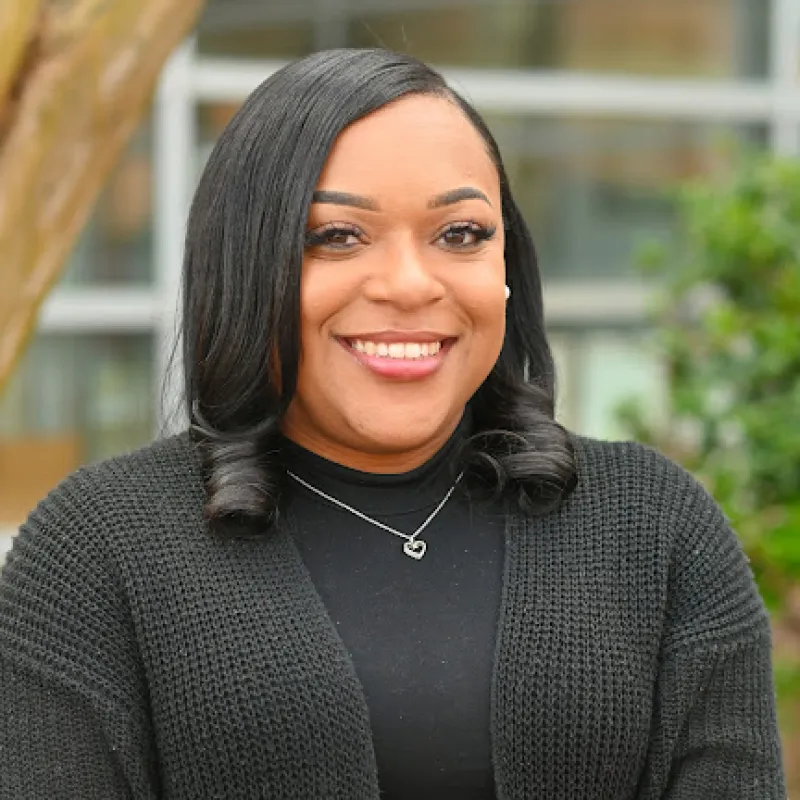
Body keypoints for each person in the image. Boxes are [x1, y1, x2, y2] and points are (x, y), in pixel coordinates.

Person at [0, 48, 786, 800]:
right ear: (246, 267)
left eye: (460, 235)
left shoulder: (657, 529)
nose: (411, 284)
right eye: (337, 237)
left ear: (506, 271)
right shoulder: (97, 552)